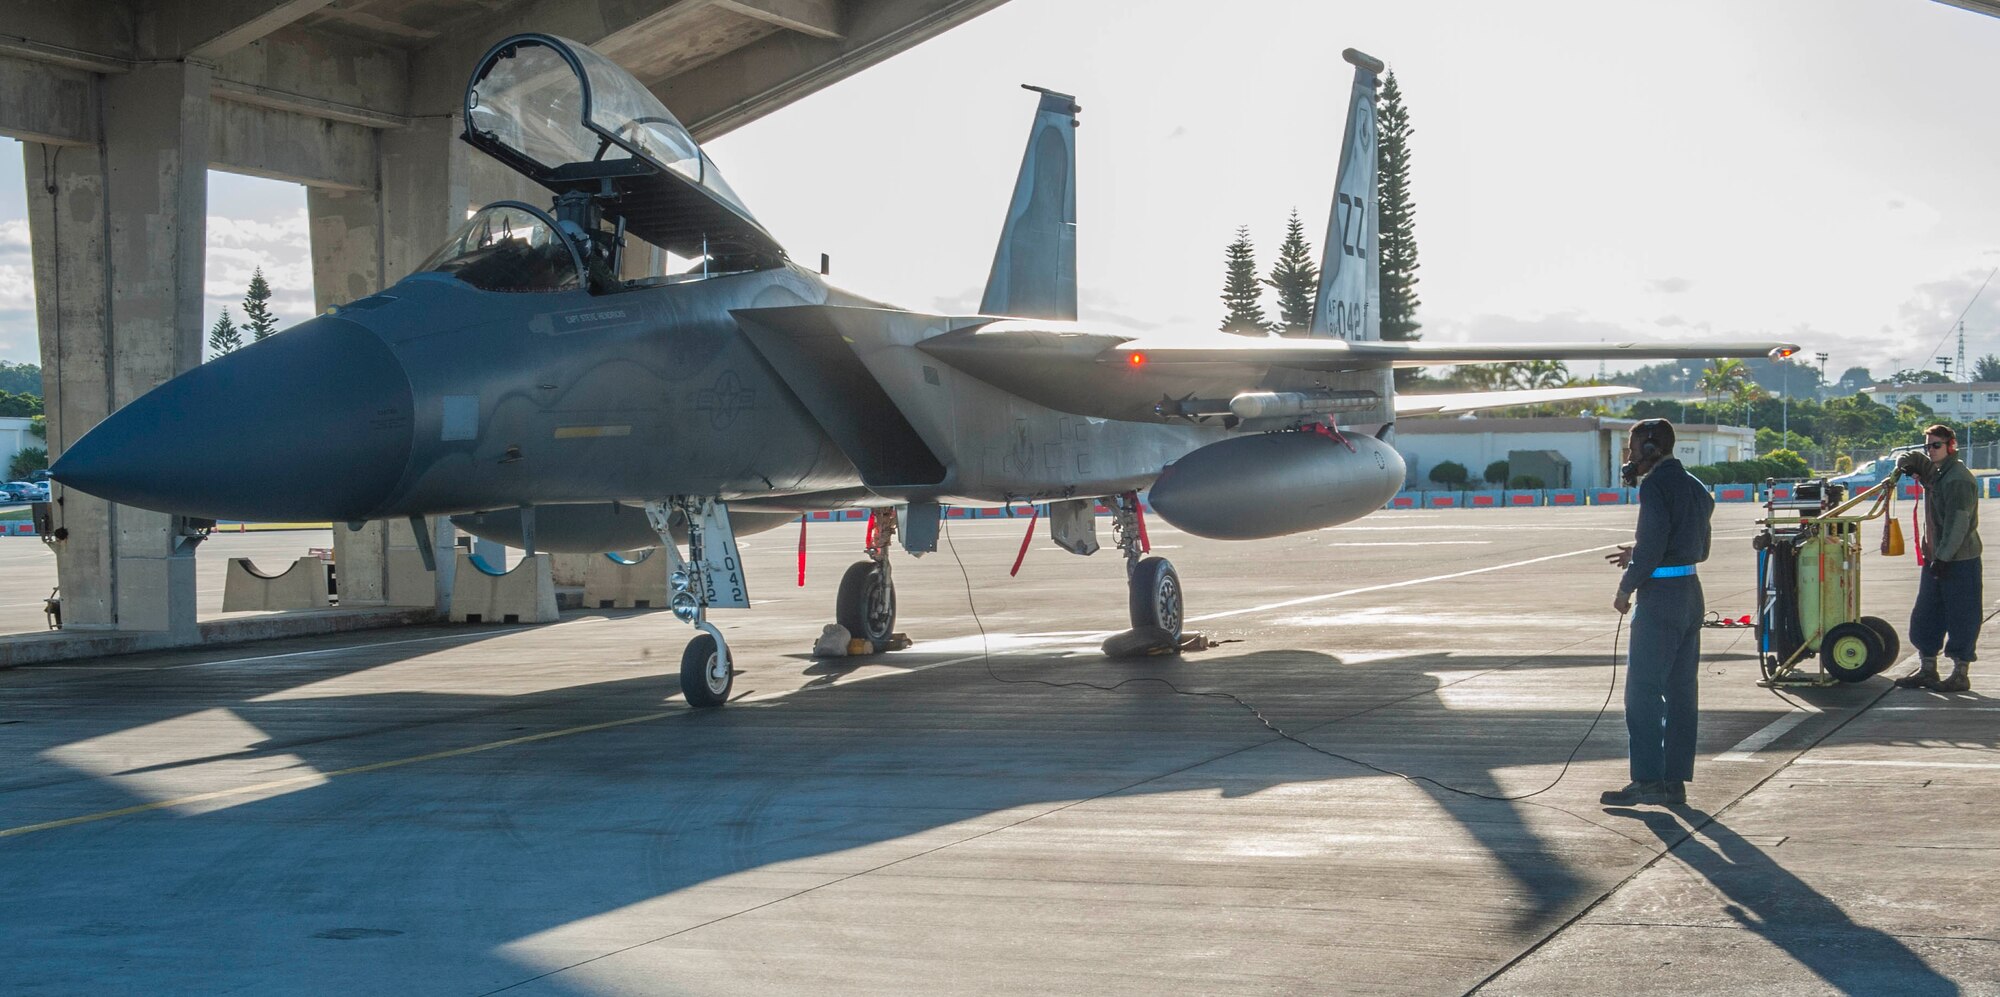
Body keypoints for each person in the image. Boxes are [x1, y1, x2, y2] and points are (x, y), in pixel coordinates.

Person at [1601, 419, 1714, 806]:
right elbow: (1694, 544)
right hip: (1690, 594)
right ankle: (1674, 782)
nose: (1631, 457)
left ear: (1651, 449)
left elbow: (1651, 550)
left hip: (1661, 598)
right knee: (1682, 691)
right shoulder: (1696, 487)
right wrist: (1646, 552)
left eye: (1633, 449)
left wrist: (1625, 587)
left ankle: (1648, 778)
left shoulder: (1655, 486)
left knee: (1643, 691)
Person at [1894, 424, 1981, 692]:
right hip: (1937, 558)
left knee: (1962, 616)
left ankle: (1960, 672)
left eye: (1936, 445)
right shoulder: (1939, 474)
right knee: (1926, 615)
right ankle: (1927, 668)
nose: (1930, 451)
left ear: (1951, 446)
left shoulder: (1957, 479)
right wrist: (1904, 463)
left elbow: (1959, 523)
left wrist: (1942, 558)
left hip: (1958, 561)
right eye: (1928, 446)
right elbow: (1912, 460)